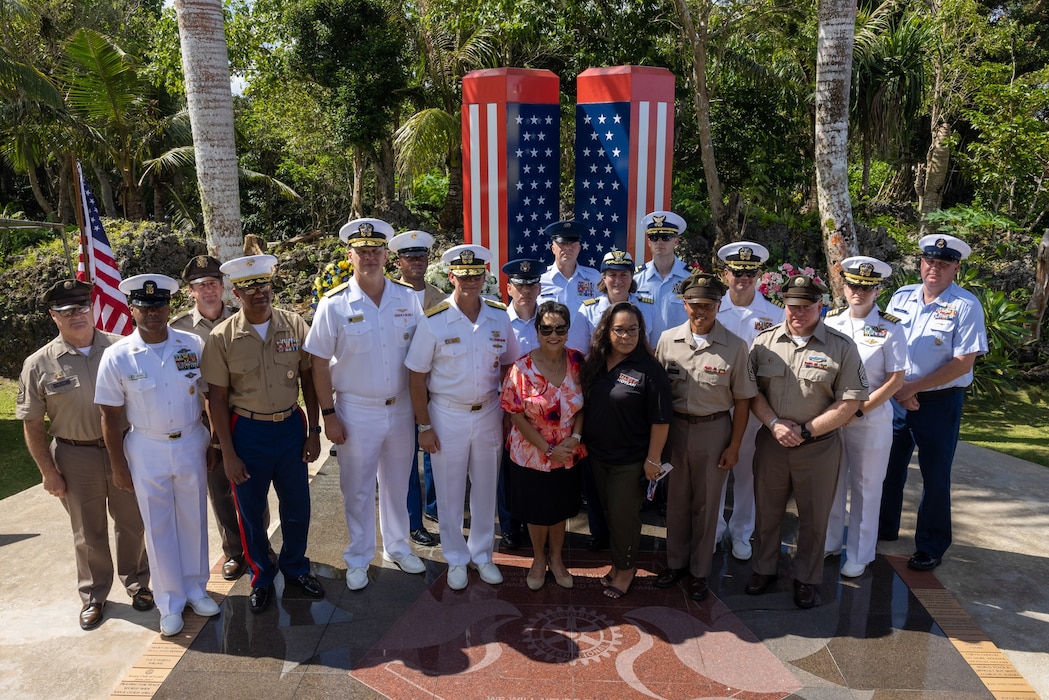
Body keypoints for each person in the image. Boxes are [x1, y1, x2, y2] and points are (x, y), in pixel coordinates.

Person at [17, 279, 152, 631]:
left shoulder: (122, 349)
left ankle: (138, 583)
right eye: (66, 311)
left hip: (123, 449)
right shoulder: (39, 364)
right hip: (74, 456)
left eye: (81, 308)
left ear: (92, 308)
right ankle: (94, 595)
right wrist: (48, 472)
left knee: (133, 522)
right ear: (53, 316)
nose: (76, 315)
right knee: (86, 531)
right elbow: (32, 424)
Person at [305, 218, 427, 592]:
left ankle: (397, 546)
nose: (369, 258)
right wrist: (329, 414)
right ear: (350, 255)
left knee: (396, 482)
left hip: (401, 406)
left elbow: (423, 356)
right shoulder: (334, 304)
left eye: (376, 251)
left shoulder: (407, 298)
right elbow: (318, 363)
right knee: (356, 487)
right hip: (355, 409)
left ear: (387, 255)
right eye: (362, 252)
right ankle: (359, 555)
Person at [95, 274, 219, 637]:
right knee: (158, 526)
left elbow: (207, 394)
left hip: (191, 440)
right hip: (146, 446)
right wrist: (118, 466)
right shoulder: (117, 355)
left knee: (194, 518)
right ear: (132, 310)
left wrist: (211, 442)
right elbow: (110, 416)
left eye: (160, 306)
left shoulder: (192, 344)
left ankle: (196, 589)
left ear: (169, 307)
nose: (154, 314)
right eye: (146, 307)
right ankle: (170, 602)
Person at [201, 254, 325, 614]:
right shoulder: (222, 337)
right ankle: (261, 576)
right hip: (247, 431)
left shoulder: (294, 324)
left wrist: (314, 430)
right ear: (235, 293)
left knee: (298, 504)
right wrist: (228, 452)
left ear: (272, 285)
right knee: (251, 512)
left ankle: (296, 567)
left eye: (264, 284)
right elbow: (217, 400)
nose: (259, 292)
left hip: (289, 426)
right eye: (249, 286)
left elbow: (309, 379)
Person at [746, 275, 869, 609]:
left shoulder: (841, 347)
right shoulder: (764, 343)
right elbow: (751, 391)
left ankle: (807, 579)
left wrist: (807, 430)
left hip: (819, 447)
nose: (797, 313)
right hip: (773, 443)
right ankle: (763, 569)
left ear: (820, 306)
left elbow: (850, 402)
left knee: (814, 520)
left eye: (806, 306)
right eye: (791, 306)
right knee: (767, 512)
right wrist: (773, 424)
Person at [406, 244, 520, 591]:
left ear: (484, 276)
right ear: (451, 276)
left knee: (486, 487)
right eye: (463, 275)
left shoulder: (500, 316)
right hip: (446, 414)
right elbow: (416, 375)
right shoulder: (435, 319)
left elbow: (510, 365)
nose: (470, 280)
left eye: (476, 274)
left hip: (487, 412)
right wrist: (424, 425)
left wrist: (508, 413)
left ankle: (483, 554)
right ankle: (455, 557)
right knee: (449, 490)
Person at [880, 235, 988, 571]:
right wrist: (902, 390)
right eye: (929, 261)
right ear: (920, 263)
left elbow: (962, 363)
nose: (934, 268)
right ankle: (882, 530)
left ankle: (930, 545)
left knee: (935, 475)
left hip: (940, 403)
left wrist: (912, 388)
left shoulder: (966, 305)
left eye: (943, 264)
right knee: (888, 468)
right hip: (897, 397)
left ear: (956, 267)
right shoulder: (901, 297)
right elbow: (884, 343)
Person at [654, 273, 756, 601]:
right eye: (695, 305)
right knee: (677, 502)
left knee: (708, 504)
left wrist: (735, 445)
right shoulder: (668, 341)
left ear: (718, 305)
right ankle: (675, 563)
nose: (701, 311)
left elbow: (743, 400)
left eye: (708, 305)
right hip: (676, 430)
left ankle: (700, 571)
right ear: (684, 305)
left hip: (715, 430)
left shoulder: (736, 347)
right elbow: (657, 395)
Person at [170, 254, 267, 582]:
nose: (208, 290)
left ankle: (260, 543)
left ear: (223, 287)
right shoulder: (177, 330)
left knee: (253, 484)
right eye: (200, 286)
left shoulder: (245, 317)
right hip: (202, 421)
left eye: (212, 283)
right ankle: (234, 552)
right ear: (191, 292)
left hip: (243, 417)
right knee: (220, 489)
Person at [580, 302, 672, 599]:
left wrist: (653, 460)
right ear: (607, 332)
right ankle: (619, 564)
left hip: (630, 461)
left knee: (624, 517)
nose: (626, 336)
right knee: (610, 513)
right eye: (619, 330)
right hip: (597, 456)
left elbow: (661, 421)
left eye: (633, 330)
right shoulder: (595, 362)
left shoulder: (649, 369)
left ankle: (626, 569)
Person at [823, 256, 908, 578]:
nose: (858, 292)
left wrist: (858, 410)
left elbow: (895, 379)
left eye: (866, 287)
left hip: (869, 421)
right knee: (831, 483)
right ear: (843, 286)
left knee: (866, 487)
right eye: (853, 285)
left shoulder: (891, 327)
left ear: (877, 291)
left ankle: (860, 552)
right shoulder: (830, 322)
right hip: (831, 417)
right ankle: (830, 542)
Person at [499, 301, 586, 590]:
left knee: (558, 509)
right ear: (537, 331)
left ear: (568, 330)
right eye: (546, 328)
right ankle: (538, 558)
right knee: (537, 510)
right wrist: (548, 449)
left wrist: (575, 438)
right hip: (531, 453)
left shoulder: (577, 362)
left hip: (568, 451)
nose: (553, 334)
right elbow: (515, 413)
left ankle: (557, 558)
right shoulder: (521, 368)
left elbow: (583, 406)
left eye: (560, 328)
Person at [714, 241, 785, 561]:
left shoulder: (775, 314)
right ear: (725, 273)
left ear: (759, 275)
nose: (743, 278)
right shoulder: (711, 309)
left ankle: (741, 532)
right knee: (715, 471)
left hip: (755, 407)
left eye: (750, 273)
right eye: (737, 272)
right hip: (716, 404)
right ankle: (714, 530)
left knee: (747, 474)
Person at [389, 229, 443, 542]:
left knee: (435, 449)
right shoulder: (389, 296)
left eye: (421, 256)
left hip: (434, 389)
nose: (417, 262)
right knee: (406, 458)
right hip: (397, 388)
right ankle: (413, 521)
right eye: (410, 257)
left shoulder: (440, 298)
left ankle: (436, 506)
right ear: (399, 262)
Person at [498, 258, 549, 550]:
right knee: (508, 469)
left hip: (544, 410)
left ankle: (537, 521)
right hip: (508, 407)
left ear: (539, 287)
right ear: (509, 288)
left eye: (531, 285)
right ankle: (509, 525)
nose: (525, 290)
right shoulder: (498, 320)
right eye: (519, 285)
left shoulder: (548, 323)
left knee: (538, 466)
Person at [568, 249, 658, 353]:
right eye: (612, 275)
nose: (618, 281)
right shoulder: (588, 310)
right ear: (604, 277)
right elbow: (577, 351)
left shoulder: (649, 308)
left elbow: (656, 349)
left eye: (624, 274)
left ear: (632, 277)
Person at [633, 210, 692, 339]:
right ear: (649, 242)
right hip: (645, 351)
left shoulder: (690, 278)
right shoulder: (636, 278)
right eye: (654, 238)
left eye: (666, 237)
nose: (659, 242)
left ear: (676, 241)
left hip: (679, 349)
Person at [538, 220, 601, 312]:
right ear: (553, 249)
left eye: (572, 243)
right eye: (562, 243)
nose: (567, 248)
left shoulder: (594, 277)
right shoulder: (540, 279)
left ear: (579, 248)